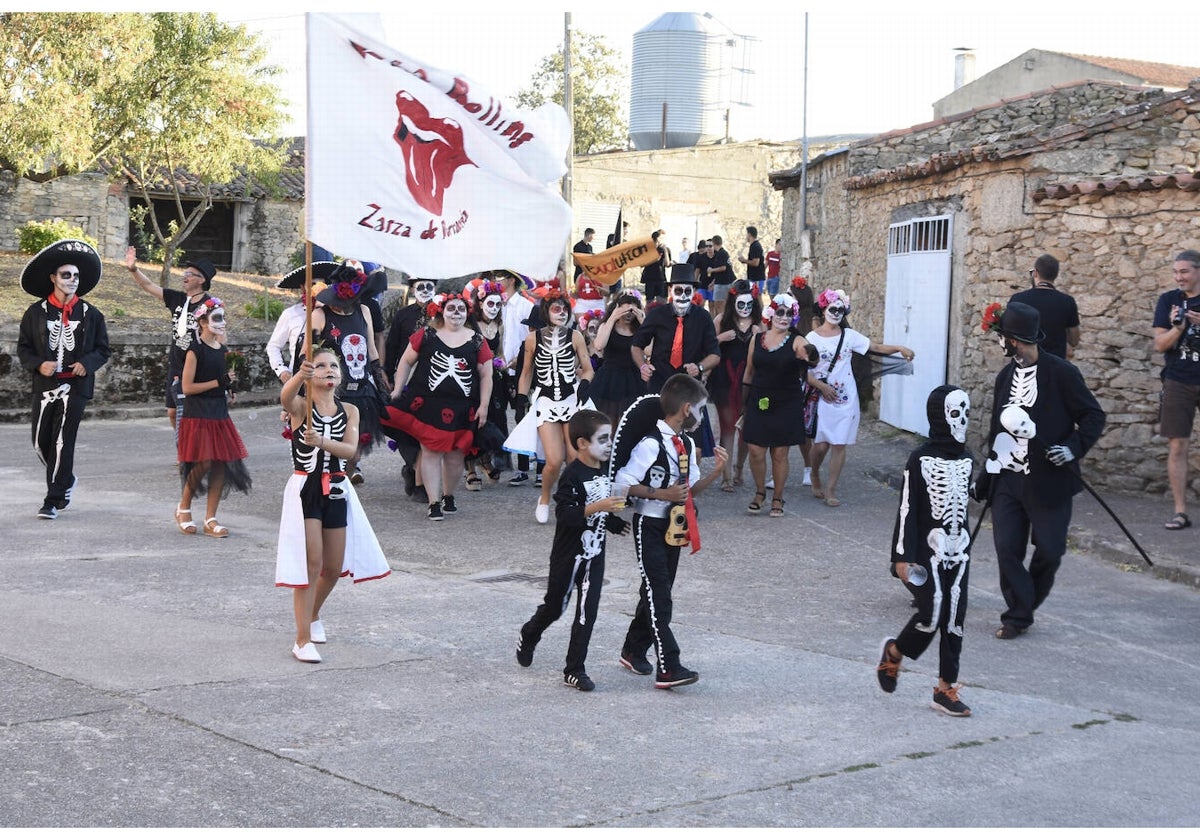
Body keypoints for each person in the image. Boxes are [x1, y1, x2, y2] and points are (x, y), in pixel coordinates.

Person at [977, 300, 1105, 639]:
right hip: (1008, 477)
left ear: (1014, 340)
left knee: (1050, 549)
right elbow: (996, 431)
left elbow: (1093, 415)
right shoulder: (1005, 377)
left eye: (1001, 337)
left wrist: (1072, 448)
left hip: (1050, 478)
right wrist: (986, 476)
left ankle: (1025, 601)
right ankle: (1017, 616)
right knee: (1007, 549)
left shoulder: (1062, 373)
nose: (999, 343)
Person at [275, 346, 390, 664]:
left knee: (333, 567)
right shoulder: (301, 406)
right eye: (321, 365)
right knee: (311, 565)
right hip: (306, 487)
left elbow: (351, 449)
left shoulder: (350, 410)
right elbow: (286, 399)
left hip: (337, 486)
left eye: (334, 365)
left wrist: (323, 442)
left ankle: (312, 616)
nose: (328, 370)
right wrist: (299, 374)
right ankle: (301, 639)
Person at [612, 375, 727, 689]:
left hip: (673, 528)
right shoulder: (650, 445)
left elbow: (689, 491)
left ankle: (633, 649)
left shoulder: (687, 444)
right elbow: (621, 483)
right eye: (701, 411)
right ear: (687, 409)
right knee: (659, 595)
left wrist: (716, 473)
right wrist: (659, 494)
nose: (701, 418)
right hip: (648, 525)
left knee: (654, 590)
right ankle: (669, 666)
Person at [876, 385, 975, 717]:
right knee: (931, 614)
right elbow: (907, 507)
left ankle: (946, 689)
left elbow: (967, 500)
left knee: (954, 619)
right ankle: (894, 652)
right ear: (940, 416)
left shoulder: (967, 458)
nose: (963, 420)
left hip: (959, 549)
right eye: (955, 412)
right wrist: (901, 557)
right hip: (924, 551)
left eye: (967, 412)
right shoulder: (920, 458)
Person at [515, 409, 630, 691]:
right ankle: (530, 632)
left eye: (610, 438)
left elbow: (601, 507)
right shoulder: (572, 475)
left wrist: (613, 521)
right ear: (582, 444)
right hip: (569, 556)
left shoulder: (604, 470)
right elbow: (566, 514)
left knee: (586, 613)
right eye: (603, 439)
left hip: (595, 556)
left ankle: (574, 669)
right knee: (556, 606)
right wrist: (598, 507)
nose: (609, 445)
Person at [17, 239, 111, 520]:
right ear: (53, 278)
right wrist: (37, 364)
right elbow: (23, 348)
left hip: (76, 387)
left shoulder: (91, 314)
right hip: (45, 385)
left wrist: (86, 363)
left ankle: (53, 499)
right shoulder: (35, 313)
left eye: (76, 276)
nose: (72, 280)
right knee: (40, 442)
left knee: (61, 442)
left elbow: (103, 349)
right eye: (66, 275)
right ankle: (65, 478)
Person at [383, 292, 493, 521]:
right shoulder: (427, 334)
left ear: (467, 313)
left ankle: (448, 495)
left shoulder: (477, 340)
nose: (456, 313)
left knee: (454, 457)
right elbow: (406, 361)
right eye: (452, 308)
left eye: (461, 309)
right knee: (431, 451)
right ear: (442, 310)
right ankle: (433, 502)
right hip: (427, 404)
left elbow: (486, 375)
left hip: (463, 407)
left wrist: (484, 405)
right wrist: (396, 389)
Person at [805, 288, 914, 507]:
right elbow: (803, 370)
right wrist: (821, 386)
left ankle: (831, 489)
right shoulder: (812, 338)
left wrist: (899, 348)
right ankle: (815, 472)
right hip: (822, 397)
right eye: (832, 309)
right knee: (822, 445)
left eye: (840, 310)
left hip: (846, 398)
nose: (835, 313)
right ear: (824, 309)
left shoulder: (849, 336)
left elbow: (875, 347)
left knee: (839, 444)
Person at [515, 290, 595, 524]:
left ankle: (571, 498)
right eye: (556, 309)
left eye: (564, 309)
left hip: (571, 400)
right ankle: (545, 498)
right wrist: (521, 399)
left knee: (574, 456)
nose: (561, 313)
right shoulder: (533, 338)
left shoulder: (576, 336)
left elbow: (588, 368)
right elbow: (527, 372)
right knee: (553, 459)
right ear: (546, 313)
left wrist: (585, 383)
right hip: (546, 402)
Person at [176, 298, 252, 538]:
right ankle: (183, 507)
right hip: (197, 413)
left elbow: (224, 379)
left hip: (218, 412)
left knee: (221, 462)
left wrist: (230, 389)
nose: (222, 323)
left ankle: (211, 518)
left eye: (223, 318)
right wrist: (219, 382)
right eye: (216, 318)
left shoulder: (224, 351)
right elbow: (187, 387)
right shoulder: (194, 351)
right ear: (202, 322)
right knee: (205, 461)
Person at [311, 261, 389, 485]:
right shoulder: (320, 315)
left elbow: (371, 348)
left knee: (354, 449)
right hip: (331, 390)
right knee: (331, 445)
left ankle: (342, 479)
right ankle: (329, 483)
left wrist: (380, 374)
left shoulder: (364, 311)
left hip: (362, 388)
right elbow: (307, 353)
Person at [124, 246, 214, 439]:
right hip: (177, 364)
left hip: (199, 365)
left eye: (191, 274)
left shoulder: (211, 305)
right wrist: (133, 269)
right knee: (172, 412)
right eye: (185, 273)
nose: (185, 276)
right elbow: (148, 285)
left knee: (195, 412)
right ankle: (183, 445)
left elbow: (219, 335)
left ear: (202, 279)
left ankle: (196, 451)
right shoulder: (177, 299)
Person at [741, 293, 818, 516]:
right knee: (755, 450)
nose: (784, 318)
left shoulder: (796, 340)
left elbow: (811, 357)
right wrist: (743, 403)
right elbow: (748, 371)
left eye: (789, 314)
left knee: (779, 453)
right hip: (758, 400)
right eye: (780, 312)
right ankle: (759, 492)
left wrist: (810, 355)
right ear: (771, 313)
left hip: (786, 402)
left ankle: (777, 497)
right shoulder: (757, 339)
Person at [1152, 249, 1200, 531]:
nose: (1178, 277)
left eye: (1184, 271)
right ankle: (1180, 511)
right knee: (1177, 445)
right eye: (1175, 272)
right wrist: (1179, 328)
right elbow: (1159, 345)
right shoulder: (1168, 301)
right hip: (1178, 380)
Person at [383, 276, 437, 500]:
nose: (424, 290)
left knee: (429, 430)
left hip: (435, 380)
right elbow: (393, 345)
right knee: (407, 428)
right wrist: (386, 373)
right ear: (413, 289)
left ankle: (422, 478)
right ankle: (414, 468)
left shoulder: (442, 314)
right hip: (407, 380)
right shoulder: (403, 314)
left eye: (429, 286)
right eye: (420, 286)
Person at [631, 264, 720, 394]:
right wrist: (643, 366)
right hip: (660, 382)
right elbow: (636, 345)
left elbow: (715, 354)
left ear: (694, 292)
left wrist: (699, 367)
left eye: (687, 291)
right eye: (678, 291)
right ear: (670, 290)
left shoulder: (703, 317)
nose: (683, 296)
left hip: (690, 384)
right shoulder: (657, 314)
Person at [708, 280, 762, 491]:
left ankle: (739, 469)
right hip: (725, 380)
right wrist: (720, 338)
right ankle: (726, 476)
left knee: (747, 429)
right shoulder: (722, 320)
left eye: (749, 305)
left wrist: (759, 337)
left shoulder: (758, 323)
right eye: (741, 304)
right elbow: (708, 347)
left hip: (749, 381)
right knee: (727, 429)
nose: (745, 309)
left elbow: (766, 351)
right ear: (734, 302)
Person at [465, 279, 509, 489]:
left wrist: (501, 362)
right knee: (472, 421)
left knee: (492, 419)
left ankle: (485, 460)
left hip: (493, 379)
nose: (494, 308)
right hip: (472, 380)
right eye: (490, 304)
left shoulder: (499, 324)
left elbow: (499, 351)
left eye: (498, 304)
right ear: (480, 303)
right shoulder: (470, 323)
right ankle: (470, 470)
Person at [497, 269, 537, 486]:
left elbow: (529, 339)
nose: (497, 282)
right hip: (499, 370)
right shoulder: (497, 305)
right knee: (498, 414)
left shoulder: (525, 306)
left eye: (500, 278)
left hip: (520, 370)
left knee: (523, 417)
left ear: (511, 280)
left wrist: (516, 361)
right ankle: (501, 459)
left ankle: (527, 462)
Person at [268, 261, 337, 383]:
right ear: (302, 287)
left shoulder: (334, 312)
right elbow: (273, 345)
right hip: (300, 379)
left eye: (321, 284)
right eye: (312, 284)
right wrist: (282, 371)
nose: (317, 288)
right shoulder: (291, 314)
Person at [589, 292, 647, 427]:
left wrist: (643, 320)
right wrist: (613, 317)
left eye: (632, 311)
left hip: (633, 379)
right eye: (624, 310)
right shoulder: (607, 326)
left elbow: (648, 350)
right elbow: (598, 346)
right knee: (608, 422)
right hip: (610, 378)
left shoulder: (639, 329)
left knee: (628, 422)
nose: (628, 314)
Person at [1009, 254, 1080, 359]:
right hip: (1055, 365)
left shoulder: (1017, 300)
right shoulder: (1067, 301)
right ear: (1055, 275)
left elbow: (1009, 335)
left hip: (1025, 365)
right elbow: (1074, 340)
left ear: (1036, 273)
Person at [707, 235, 734, 317]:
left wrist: (711, 270)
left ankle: (721, 321)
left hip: (724, 283)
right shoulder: (721, 253)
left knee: (719, 304)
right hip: (720, 281)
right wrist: (713, 282)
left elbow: (723, 268)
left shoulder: (722, 253)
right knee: (717, 304)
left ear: (714, 243)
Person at [640, 230, 670, 304]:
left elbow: (667, 264)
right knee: (649, 301)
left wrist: (665, 251)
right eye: (660, 238)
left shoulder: (665, 249)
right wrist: (654, 260)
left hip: (661, 278)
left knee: (662, 301)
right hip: (650, 278)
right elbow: (642, 264)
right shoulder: (648, 249)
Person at [738, 226, 765, 297]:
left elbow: (756, 263)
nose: (746, 236)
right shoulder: (753, 246)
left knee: (757, 297)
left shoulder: (755, 246)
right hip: (753, 277)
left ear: (749, 234)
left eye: (746, 234)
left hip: (757, 277)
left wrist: (744, 260)